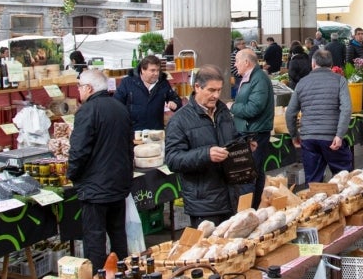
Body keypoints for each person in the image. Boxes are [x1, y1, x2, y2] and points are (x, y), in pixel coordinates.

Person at [67, 70, 133, 275]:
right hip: (118, 183)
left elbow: (79, 149)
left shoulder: (87, 111)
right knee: (118, 234)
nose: (78, 90)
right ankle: (123, 276)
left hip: (95, 187)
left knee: (95, 239)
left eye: (79, 86)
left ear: (89, 88)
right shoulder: (120, 108)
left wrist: (72, 174)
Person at [165, 65, 240, 227]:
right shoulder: (179, 120)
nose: (216, 95)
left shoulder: (224, 113)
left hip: (229, 196)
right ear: (197, 87)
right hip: (203, 203)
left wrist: (243, 145)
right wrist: (207, 154)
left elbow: (232, 139)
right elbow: (172, 160)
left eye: (219, 90)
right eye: (211, 90)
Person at [285, 49, 353, 184]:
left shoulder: (302, 83)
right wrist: (339, 135)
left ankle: (315, 203)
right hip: (332, 138)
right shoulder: (340, 80)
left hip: (308, 139)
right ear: (331, 64)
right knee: (344, 179)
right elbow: (346, 108)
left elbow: (290, 113)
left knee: (313, 182)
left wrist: (294, 135)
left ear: (313, 64)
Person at [227, 49, 274, 209]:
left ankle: (246, 211)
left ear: (247, 62)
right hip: (250, 131)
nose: (235, 64)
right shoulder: (250, 78)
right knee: (256, 173)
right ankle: (255, 209)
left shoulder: (258, 79)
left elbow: (254, 108)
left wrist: (232, 106)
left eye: (237, 61)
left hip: (254, 133)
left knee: (248, 175)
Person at [114, 54, 182, 131]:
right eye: (152, 70)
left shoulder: (163, 84)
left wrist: (175, 104)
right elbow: (116, 105)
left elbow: (177, 100)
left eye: (158, 70)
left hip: (156, 132)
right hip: (133, 132)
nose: (156, 73)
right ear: (143, 70)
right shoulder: (127, 83)